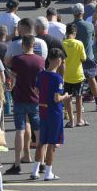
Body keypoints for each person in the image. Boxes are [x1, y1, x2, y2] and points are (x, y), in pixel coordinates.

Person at [5, 35, 45, 175]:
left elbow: (10, 69)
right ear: (34, 45)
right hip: (35, 99)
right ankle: (41, 161)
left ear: (23, 45)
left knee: (20, 130)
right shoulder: (40, 61)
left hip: (20, 97)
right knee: (38, 131)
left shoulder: (18, 59)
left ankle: (17, 163)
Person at [32, 49, 70, 181]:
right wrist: (65, 95)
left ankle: (35, 170)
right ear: (58, 60)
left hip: (42, 110)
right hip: (54, 112)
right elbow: (56, 98)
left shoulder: (41, 74)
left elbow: (36, 90)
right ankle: (48, 172)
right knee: (52, 143)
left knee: (42, 141)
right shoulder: (58, 78)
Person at [71, 3, 97, 112]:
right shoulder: (90, 25)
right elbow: (93, 37)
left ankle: (81, 105)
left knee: (79, 82)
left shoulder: (70, 27)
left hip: (75, 58)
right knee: (92, 79)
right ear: (83, 13)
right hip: (89, 56)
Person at [62, 24, 87, 127]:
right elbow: (84, 58)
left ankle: (71, 120)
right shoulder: (79, 43)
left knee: (68, 98)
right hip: (78, 74)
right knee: (79, 97)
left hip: (66, 75)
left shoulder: (62, 44)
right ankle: (79, 119)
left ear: (66, 33)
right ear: (75, 33)